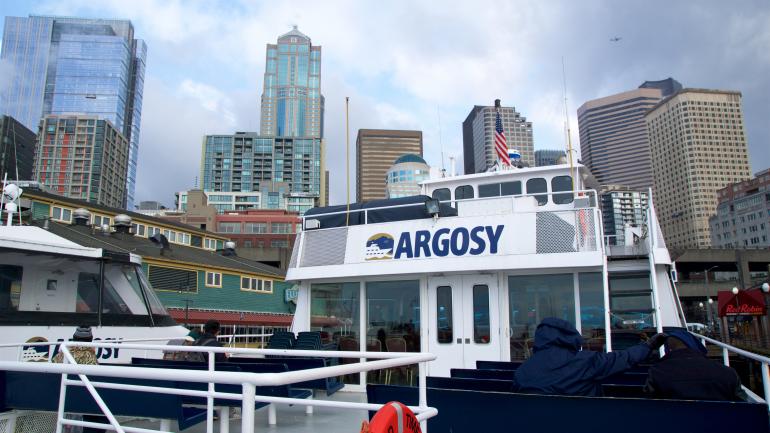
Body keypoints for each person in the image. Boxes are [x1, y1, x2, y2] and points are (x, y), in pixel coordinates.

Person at [514, 317, 667, 396]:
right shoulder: (585, 361)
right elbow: (623, 358)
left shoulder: (523, 371)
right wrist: (648, 346)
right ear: (570, 337)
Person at [644, 329, 744, 401]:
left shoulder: (656, 372)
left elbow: (652, 406)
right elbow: (743, 406)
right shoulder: (728, 373)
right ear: (694, 346)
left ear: (667, 350)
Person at [53, 326, 105, 433]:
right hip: (81, 399)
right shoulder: (90, 357)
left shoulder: (62, 353)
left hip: (60, 395)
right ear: (90, 340)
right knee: (100, 416)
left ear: (74, 338)